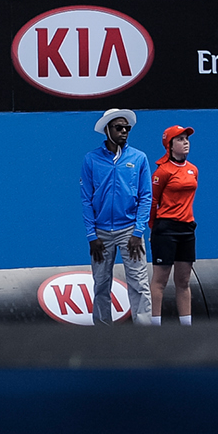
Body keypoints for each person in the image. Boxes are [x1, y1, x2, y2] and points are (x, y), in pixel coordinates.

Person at [80, 108, 154, 327]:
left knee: (139, 283)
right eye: (119, 127)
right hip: (101, 233)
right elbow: (86, 199)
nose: (124, 131)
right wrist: (92, 235)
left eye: (127, 128)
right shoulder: (91, 159)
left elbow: (146, 196)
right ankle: (103, 333)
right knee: (101, 283)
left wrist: (137, 232)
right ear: (107, 130)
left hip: (129, 231)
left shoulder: (139, 158)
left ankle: (145, 334)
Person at [150, 124, 199, 327]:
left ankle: (186, 328)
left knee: (184, 281)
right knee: (160, 281)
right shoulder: (162, 172)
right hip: (165, 229)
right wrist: (154, 229)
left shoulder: (193, 169)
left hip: (187, 230)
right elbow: (153, 201)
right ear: (169, 145)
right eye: (180, 139)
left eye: (187, 139)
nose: (185, 142)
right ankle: (155, 327)